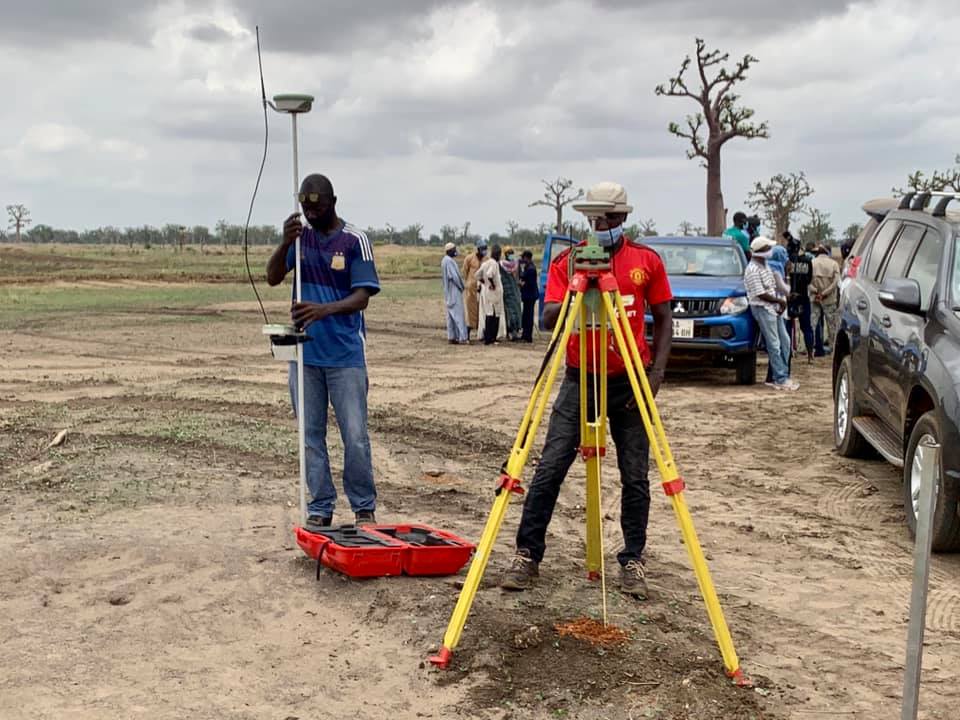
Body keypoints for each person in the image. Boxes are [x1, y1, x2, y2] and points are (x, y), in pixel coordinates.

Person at [501, 181, 673, 599]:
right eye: (595, 219)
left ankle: (632, 558)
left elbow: (665, 317)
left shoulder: (645, 261)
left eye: (609, 218)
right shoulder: (567, 262)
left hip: (629, 379)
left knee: (635, 475)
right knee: (551, 466)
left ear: (623, 219)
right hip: (580, 377)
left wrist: (656, 374)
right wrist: (584, 287)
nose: (602, 226)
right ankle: (528, 554)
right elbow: (547, 319)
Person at [266, 173, 380, 527]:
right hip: (305, 357)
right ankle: (320, 507)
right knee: (310, 436)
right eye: (305, 208)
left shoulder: (354, 241)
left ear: (333, 202)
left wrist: (322, 310)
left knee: (355, 436)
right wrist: (285, 244)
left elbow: (362, 297)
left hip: (345, 356)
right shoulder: (299, 241)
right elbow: (271, 277)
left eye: (317, 208)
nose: (311, 214)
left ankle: (363, 507)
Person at [744, 236, 798, 391]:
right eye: (768, 248)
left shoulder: (765, 265)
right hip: (762, 308)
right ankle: (780, 378)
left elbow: (773, 287)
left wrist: (778, 302)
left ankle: (782, 375)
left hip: (772, 307)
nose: (770, 251)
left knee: (785, 342)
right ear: (761, 251)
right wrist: (779, 301)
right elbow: (760, 294)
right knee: (774, 344)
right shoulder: (753, 269)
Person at [785, 231, 815, 363]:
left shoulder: (786, 262)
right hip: (803, 297)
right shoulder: (808, 261)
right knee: (806, 327)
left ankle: (788, 354)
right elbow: (809, 280)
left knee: (787, 327)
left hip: (789, 298)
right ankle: (810, 355)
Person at [809, 245, 840, 357]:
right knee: (832, 325)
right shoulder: (834, 264)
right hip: (829, 299)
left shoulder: (811, 263)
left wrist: (816, 292)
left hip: (814, 297)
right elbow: (836, 282)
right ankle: (833, 350)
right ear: (828, 252)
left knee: (813, 323)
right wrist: (824, 293)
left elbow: (807, 282)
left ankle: (810, 348)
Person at [476, 243, 505, 345]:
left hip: (488, 292)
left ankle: (488, 338)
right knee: (495, 315)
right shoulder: (494, 264)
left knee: (489, 313)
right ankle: (491, 338)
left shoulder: (485, 263)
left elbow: (478, 275)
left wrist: (485, 283)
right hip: (495, 292)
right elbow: (489, 275)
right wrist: (491, 284)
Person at [441, 242, 468, 344]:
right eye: (454, 249)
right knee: (458, 315)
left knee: (451, 316)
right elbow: (454, 277)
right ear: (450, 250)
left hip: (448, 292)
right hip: (454, 291)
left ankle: (452, 337)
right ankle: (463, 338)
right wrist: (461, 286)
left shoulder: (445, 260)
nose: (456, 251)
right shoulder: (449, 261)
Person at [462, 240, 486, 341]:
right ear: (478, 249)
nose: (484, 251)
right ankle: (466, 335)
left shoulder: (487, 259)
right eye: (482, 249)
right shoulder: (469, 258)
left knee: (482, 312)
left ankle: (482, 334)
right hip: (471, 290)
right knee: (470, 312)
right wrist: (469, 283)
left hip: (482, 290)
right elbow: (465, 271)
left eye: (485, 248)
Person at [500, 245, 523, 341]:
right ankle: (510, 332)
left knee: (517, 311)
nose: (511, 255)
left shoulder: (516, 264)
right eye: (509, 253)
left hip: (516, 291)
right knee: (509, 312)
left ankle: (516, 330)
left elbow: (520, 276)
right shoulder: (501, 265)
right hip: (507, 291)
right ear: (505, 255)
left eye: (511, 253)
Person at [518, 250, 539, 343]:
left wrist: (522, 284)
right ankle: (524, 335)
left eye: (523, 258)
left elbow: (529, 283)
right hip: (528, 296)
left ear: (527, 258)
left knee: (529, 316)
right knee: (526, 315)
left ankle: (528, 336)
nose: (522, 259)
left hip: (530, 296)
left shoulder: (531, 269)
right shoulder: (528, 267)